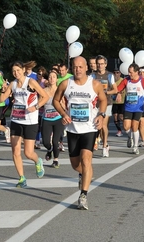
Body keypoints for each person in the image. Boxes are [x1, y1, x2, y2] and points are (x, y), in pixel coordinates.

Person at [53, 56, 107, 210]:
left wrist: (101, 116)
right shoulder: (66, 84)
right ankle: (84, 174)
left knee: (86, 159)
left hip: (90, 128)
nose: (78, 70)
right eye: (75, 67)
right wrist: (64, 114)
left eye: (80, 67)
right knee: (76, 164)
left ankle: (83, 195)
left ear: (86, 68)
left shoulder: (94, 84)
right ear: (72, 68)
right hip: (72, 129)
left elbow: (103, 100)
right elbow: (56, 100)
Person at [0, 61, 49, 188]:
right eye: (14, 71)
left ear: (23, 69)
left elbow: (45, 96)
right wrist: (3, 90)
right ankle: (22, 178)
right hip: (16, 119)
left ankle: (37, 161)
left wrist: (36, 106)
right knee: (15, 150)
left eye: (18, 70)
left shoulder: (30, 82)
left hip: (30, 121)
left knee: (28, 153)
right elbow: (1, 99)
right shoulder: (13, 84)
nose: (16, 73)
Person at [115, 63, 144, 155]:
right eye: (128, 72)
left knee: (135, 126)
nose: (129, 74)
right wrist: (119, 93)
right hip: (128, 107)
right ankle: (130, 137)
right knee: (126, 126)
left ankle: (135, 147)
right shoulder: (126, 80)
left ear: (137, 72)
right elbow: (118, 89)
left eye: (131, 72)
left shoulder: (143, 81)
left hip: (138, 108)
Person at [91, 55, 118, 157]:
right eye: (98, 64)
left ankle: (105, 145)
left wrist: (106, 92)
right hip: (96, 104)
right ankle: (101, 141)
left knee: (103, 125)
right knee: (99, 126)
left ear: (105, 65)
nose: (100, 66)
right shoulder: (93, 75)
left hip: (107, 103)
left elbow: (115, 90)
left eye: (102, 64)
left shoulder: (110, 75)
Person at [41, 69, 65, 168]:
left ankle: (55, 160)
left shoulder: (60, 90)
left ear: (57, 79)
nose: (51, 79)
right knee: (46, 141)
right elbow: (39, 103)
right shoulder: (43, 91)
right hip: (46, 118)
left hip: (58, 118)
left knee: (56, 141)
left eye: (54, 77)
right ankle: (49, 149)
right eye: (50, 77)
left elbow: (63, 104)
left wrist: (64, 113)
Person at [112, 69, 125, 137]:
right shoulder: (111, 81)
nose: (116, 74)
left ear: (120, 73)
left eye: (117, 72)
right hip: (114, 102)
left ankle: (127, 127)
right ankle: (119, 130)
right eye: (114, 72)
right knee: (115, 117)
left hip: (122, 102)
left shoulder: (123, 80)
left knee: (121, 117)